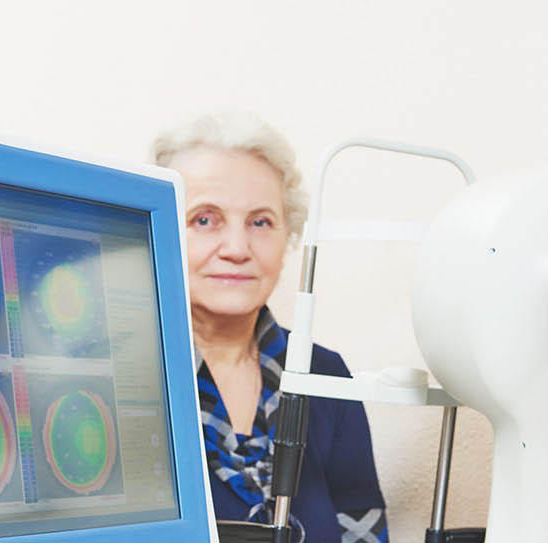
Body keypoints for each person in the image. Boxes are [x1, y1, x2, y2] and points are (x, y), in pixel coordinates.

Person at [152, 113, 388, 543]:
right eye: (205, 219)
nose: (237, 249)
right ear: (160, 226)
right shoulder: (122, 376)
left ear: (288, 235)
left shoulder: (328, 376)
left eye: (260, 222)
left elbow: (365, 535)